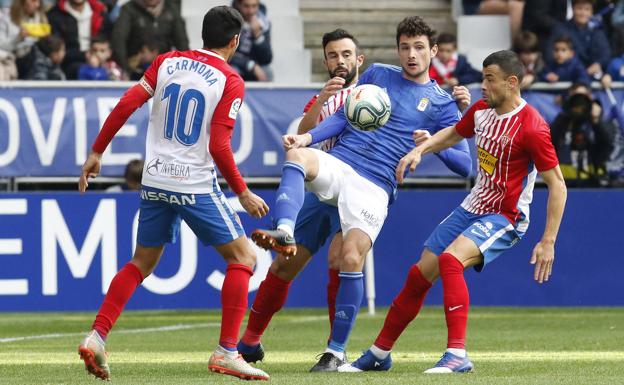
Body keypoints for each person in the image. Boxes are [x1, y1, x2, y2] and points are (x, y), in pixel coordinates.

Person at [251, 16, 473, 372]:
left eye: (419, 47)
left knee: (350, 258)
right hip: (341, 164)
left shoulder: (441, 103)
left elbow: (466, 166)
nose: (411, 55)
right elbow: (343, 117)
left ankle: (336, 353)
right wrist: (307, 137)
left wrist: (433, 145)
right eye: (404, 47)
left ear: (433, 51)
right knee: (296, 158)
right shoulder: (377, 75)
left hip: (375, 185)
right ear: (397, 49)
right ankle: (284, 230)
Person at [340, 50, 567, 374]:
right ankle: (379, 353)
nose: (482, 86)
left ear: (511, 82)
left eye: (490, 79)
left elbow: (557, 184)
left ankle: (457, 354)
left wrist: (549, 240)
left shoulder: (532, 127)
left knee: (450, 260)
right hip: (472, 205)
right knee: (419, 275)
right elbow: (455, 133)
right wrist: (420, 149)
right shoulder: (481, 110)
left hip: (506, 215)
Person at [76, 6, 270, 381]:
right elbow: (218, 144)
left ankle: (97, 336)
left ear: (202, 35)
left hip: (155, 179)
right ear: (235, 41)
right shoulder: (230, 79)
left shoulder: (167, 62)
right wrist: (242, 191)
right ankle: (227, 351)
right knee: (244, 258)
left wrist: (97, 151)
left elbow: (127, 103)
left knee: (141, 263)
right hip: (194, 183)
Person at [236, 28, 364, 366]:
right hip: (321, 189)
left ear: (359, 59)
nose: (341, 61)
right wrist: (322, 99)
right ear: (325, 61)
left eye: (347, 55)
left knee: (341, 259)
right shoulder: (322, 98)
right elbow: (301, 134)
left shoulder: (372, 95)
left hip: (357, 192)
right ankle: (250, 342)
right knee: (283, 264)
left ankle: (336, 350)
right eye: (334, 56)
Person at [111, 0, 188, 76]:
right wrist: (126, 69)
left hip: (164, 70)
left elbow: (182, 43)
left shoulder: (171, 9)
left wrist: (184, 71)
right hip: (134, 70)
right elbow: (118, 40)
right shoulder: (129, 8)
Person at [545, 0, 611, 81]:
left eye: (587, 9)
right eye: (579, 9)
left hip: (592, 79)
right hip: (565, 79)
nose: (583, 13)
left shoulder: (597, 31)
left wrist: (598, 64)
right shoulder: (560, 30)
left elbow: (605, 54)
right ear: (573, 9)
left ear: (591, 12)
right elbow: (550, 54)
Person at [47, 0, 110, 79]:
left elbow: (108, 40)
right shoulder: (54, 15)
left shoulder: (100, 12)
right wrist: (86, 56)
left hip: (101, 59)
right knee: (91, 73)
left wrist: (99, 55)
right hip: (69, 64)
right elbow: (57, 50)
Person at [230, 0, 272, 81]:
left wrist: (257, 35)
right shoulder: (229, 21)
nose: (251, 11)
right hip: (235, 64)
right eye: (246, 6)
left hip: (256, 65)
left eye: (254, 6)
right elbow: (226, 54)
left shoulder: (264, 23)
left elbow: (267, 59)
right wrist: (251, 65)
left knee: (268, 73)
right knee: (233, 73)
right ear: (239, 4)